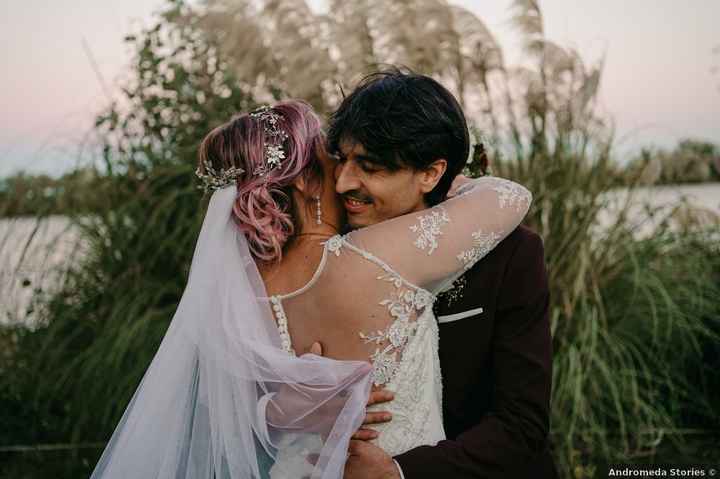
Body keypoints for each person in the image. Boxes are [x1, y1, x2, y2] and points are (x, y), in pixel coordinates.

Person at [89, 98, 531, 478]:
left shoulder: (237, 292)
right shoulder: (371, 256)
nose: (342, 176)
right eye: (330, 158)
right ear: (303, 180)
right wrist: (461, 184)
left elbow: (216, 415)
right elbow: (512, 198)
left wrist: (276, 414)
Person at [327, 70, 557, 478]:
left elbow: (522, 425)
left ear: (431, 173)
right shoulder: (331, 251)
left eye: (370, 166)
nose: (344, 182)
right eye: (341, 160)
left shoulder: (512, 255)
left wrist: (398, 473)